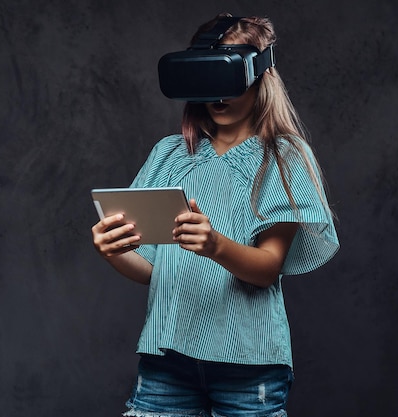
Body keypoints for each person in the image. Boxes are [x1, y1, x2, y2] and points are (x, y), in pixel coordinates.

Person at [91, 13, 339, 417]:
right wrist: (112, 249)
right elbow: (152, 270)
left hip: (249, 364)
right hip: (166, 360)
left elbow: (267, 268)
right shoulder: (170, 155)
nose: (218, 97)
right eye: (206, 81)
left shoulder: (282, 157)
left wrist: (215, 245)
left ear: (260, 75)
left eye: (227, 80)